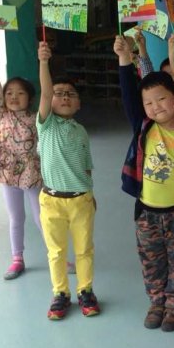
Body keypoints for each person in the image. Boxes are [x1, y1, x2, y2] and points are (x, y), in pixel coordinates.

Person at [116, 36, 174, 332]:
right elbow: (129, 94)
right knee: (151, 261)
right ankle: (157, 301)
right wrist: (124, 59)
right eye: (148, 103)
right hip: (147, 213)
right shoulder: (144, 128)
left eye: (161, 99)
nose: (155, 107)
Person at [36, 41, 100, 320]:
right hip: (51, 201)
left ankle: (85, 290)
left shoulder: (81, 131)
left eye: (70, 94)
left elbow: (87, 168)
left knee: (84, 249)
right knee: (56, 252)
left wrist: (91, 195)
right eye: (58, 93)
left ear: (78, 103)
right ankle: (60, 293)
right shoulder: (46, 124)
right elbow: (45, 91)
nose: (63, 97)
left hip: (81, 200)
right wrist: (44, 62)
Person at [0, 48, 42, 280]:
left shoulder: (35, 118)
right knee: (16, 218)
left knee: (42, 217)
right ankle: (17, 258)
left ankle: (58, 256)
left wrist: (43, 62)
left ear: (30, 98)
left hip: (31, 171)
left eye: (20, 93)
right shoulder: (0, 114)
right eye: (9, 93)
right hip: (7, 173)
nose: (14, 97)